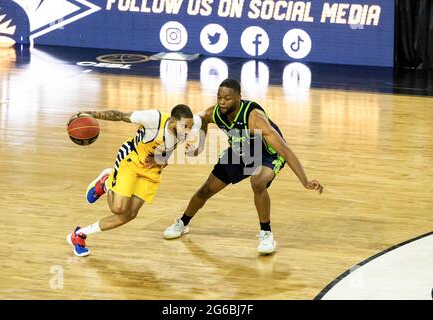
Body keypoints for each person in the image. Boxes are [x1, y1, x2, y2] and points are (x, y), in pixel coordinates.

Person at [162, 79, 323, 255]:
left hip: (269, 155)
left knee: (257, 181)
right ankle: (182, 223)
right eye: (219, 97)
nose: (222, 102)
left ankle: (266, 233)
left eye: (227, 98)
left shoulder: (254, 118)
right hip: (241, 151)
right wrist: (197, 145)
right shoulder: (215, 112)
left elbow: (284, 150)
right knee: (205, 190)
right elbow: (200, 120)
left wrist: (305, 181)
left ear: (239, 97)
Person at [66, 105, 201, 257]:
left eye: (190, 127)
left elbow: (187, 140)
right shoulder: (153, 119)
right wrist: (88, 113)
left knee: (129, 215)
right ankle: (106, 182)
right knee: (118, 209)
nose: (188, 131)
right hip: (131, 161)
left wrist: (170, 157)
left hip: (152, 171)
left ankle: (79, 235)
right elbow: (119, 115)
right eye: (185, 127)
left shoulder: (191, 124)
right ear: (172, 122)